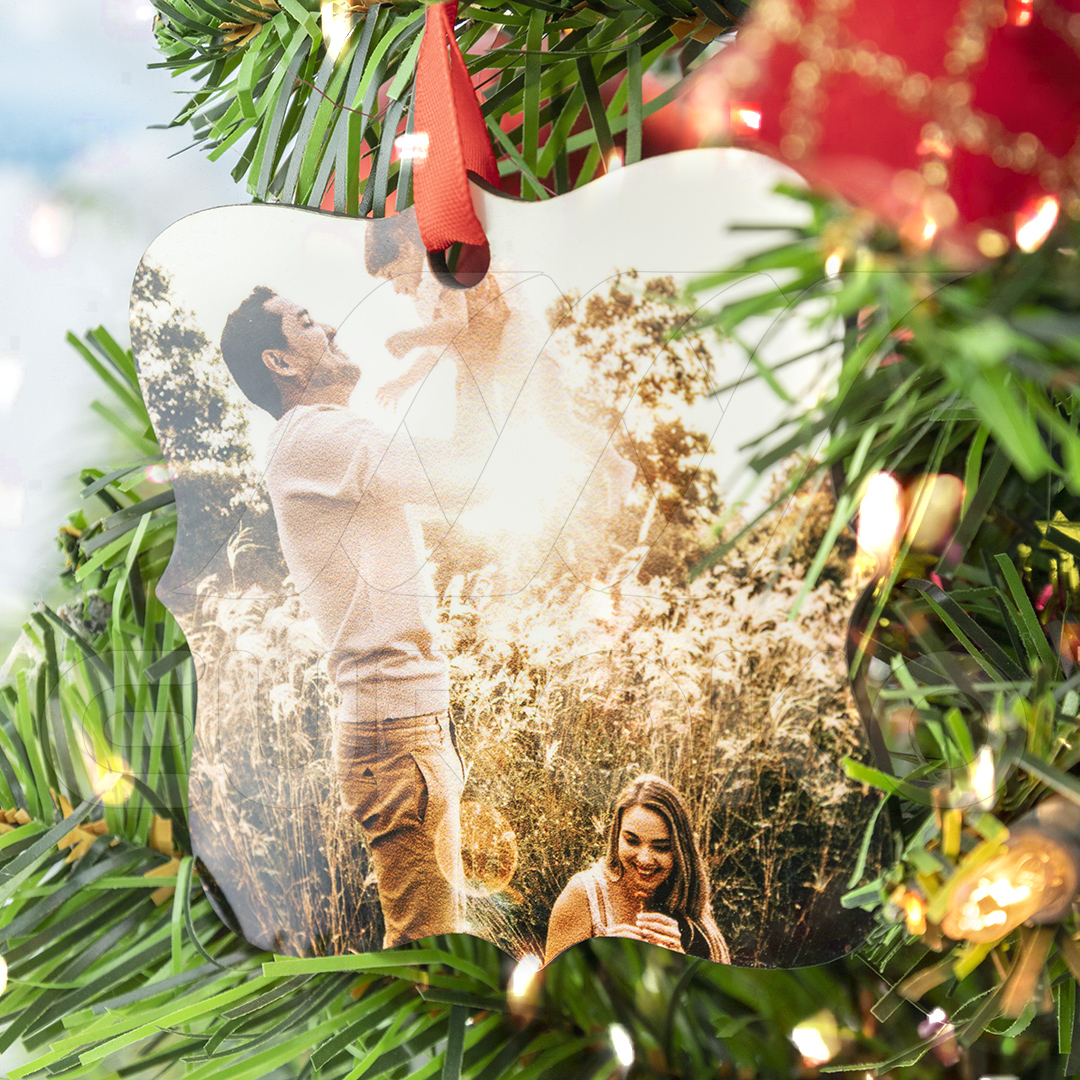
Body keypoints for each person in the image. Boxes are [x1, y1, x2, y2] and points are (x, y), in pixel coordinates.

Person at [220, 284, 490, 948]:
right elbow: (469, 474)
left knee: (438, 951)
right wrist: (478, 346)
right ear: (280, 362)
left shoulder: (319, 443)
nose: (333, 326)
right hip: (397, 737)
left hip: (403, 731)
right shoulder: (316, 437)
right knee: (433, 967)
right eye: (308, 321)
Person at [544, 774, 729, 965]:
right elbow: (550, 990)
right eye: (632, 841)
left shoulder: (685, 896)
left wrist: (680, 963)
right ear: (616, 835)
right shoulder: (584, 895)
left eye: (661, 847)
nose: (645, 859)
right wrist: (606, 966)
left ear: (681, 851)